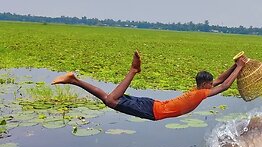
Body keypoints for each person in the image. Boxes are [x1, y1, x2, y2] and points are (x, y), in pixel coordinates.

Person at [51, 51, 247, 121]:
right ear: (205, 84)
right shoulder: (200, 94)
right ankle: (133, 71)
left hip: (152, 105)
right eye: (210, 84)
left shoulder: (198, 90)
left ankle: (74, 80)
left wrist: (235, 63)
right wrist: (239, 66)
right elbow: (225, 85)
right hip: (152, 111)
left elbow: (220, 80)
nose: (212, 85)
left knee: (110, 99)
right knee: (110, 100)